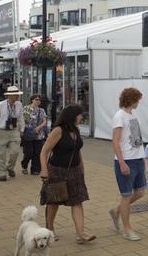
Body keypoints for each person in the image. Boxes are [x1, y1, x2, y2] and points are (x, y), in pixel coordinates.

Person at [39, 104, 95, 244]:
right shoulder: (58, 130)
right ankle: (50, 228)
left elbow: (77, 150)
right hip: (57, 171)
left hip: (75, 171)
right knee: (54, 202)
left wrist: (82, 168)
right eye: (80, 114)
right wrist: (44, 169)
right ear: (72, 116)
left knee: (77, 201)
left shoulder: (75, 130)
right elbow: (44, 152)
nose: (82, 117)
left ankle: (81, 233)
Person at [109, 87, 146, 241]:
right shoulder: (119, 116)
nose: (139, 102)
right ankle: (127, 229)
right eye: (138, 99)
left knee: (140, 192)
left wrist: (143, 159)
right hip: (126, 161)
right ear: (132, 100)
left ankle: (116, 211)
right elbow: (115, 142)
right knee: (126, 195)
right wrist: (122, 163)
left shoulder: (132, 113)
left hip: (137, 159)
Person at [0, 85, 24, 181]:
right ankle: (2, 173)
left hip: (14, 131)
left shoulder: (19, 104)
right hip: (1, 131)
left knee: (15, 151)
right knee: (0, 154)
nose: (16, 96)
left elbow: (20, 118)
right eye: (14, 95)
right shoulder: (0, 105)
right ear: (8, 96)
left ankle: (10, 167)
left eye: (17, 95)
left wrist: (22, 129)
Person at [21, 93, 48, 175]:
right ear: (32, 100)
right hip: (28, 133)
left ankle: (35, 169)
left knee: (37, 152)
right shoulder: (26, 108)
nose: (38, 101)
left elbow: (44, 121)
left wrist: (39, 127)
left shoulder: (41, 110)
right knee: (28, 152)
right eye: (36, 99)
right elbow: (23, 120)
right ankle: (24, 165)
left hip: (39, 134)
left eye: (39, 100)